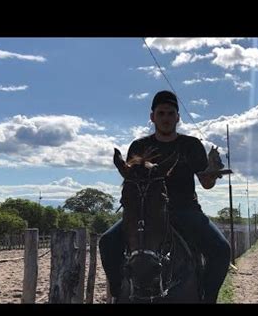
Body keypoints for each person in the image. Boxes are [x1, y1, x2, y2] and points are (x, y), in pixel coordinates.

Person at [99, 90, 231, 303]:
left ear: (178, 117)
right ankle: (117, 292)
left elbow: (206, 184)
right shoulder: (139, 146)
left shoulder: (191, 145)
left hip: (185, 209)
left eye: (170, 113)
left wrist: (212, 170)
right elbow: (132, 179)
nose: (166, 118)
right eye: (161, 113)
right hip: (147, 211)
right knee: (107, 242)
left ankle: (208, 298)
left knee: (222, 250)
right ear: (152, 117)